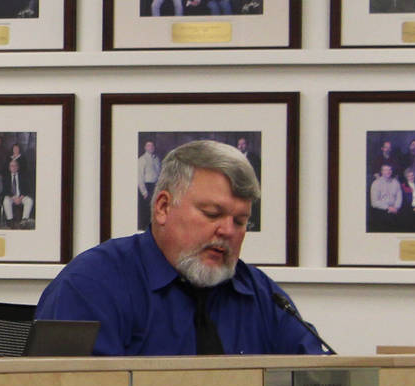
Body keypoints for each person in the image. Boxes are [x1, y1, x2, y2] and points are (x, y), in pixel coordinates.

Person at [36, 141, 324, 355]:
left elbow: (317, 385)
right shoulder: (92, 285)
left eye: (240, 221)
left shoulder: (260, 295)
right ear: (163, 207)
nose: (227, 231)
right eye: (212, 214)